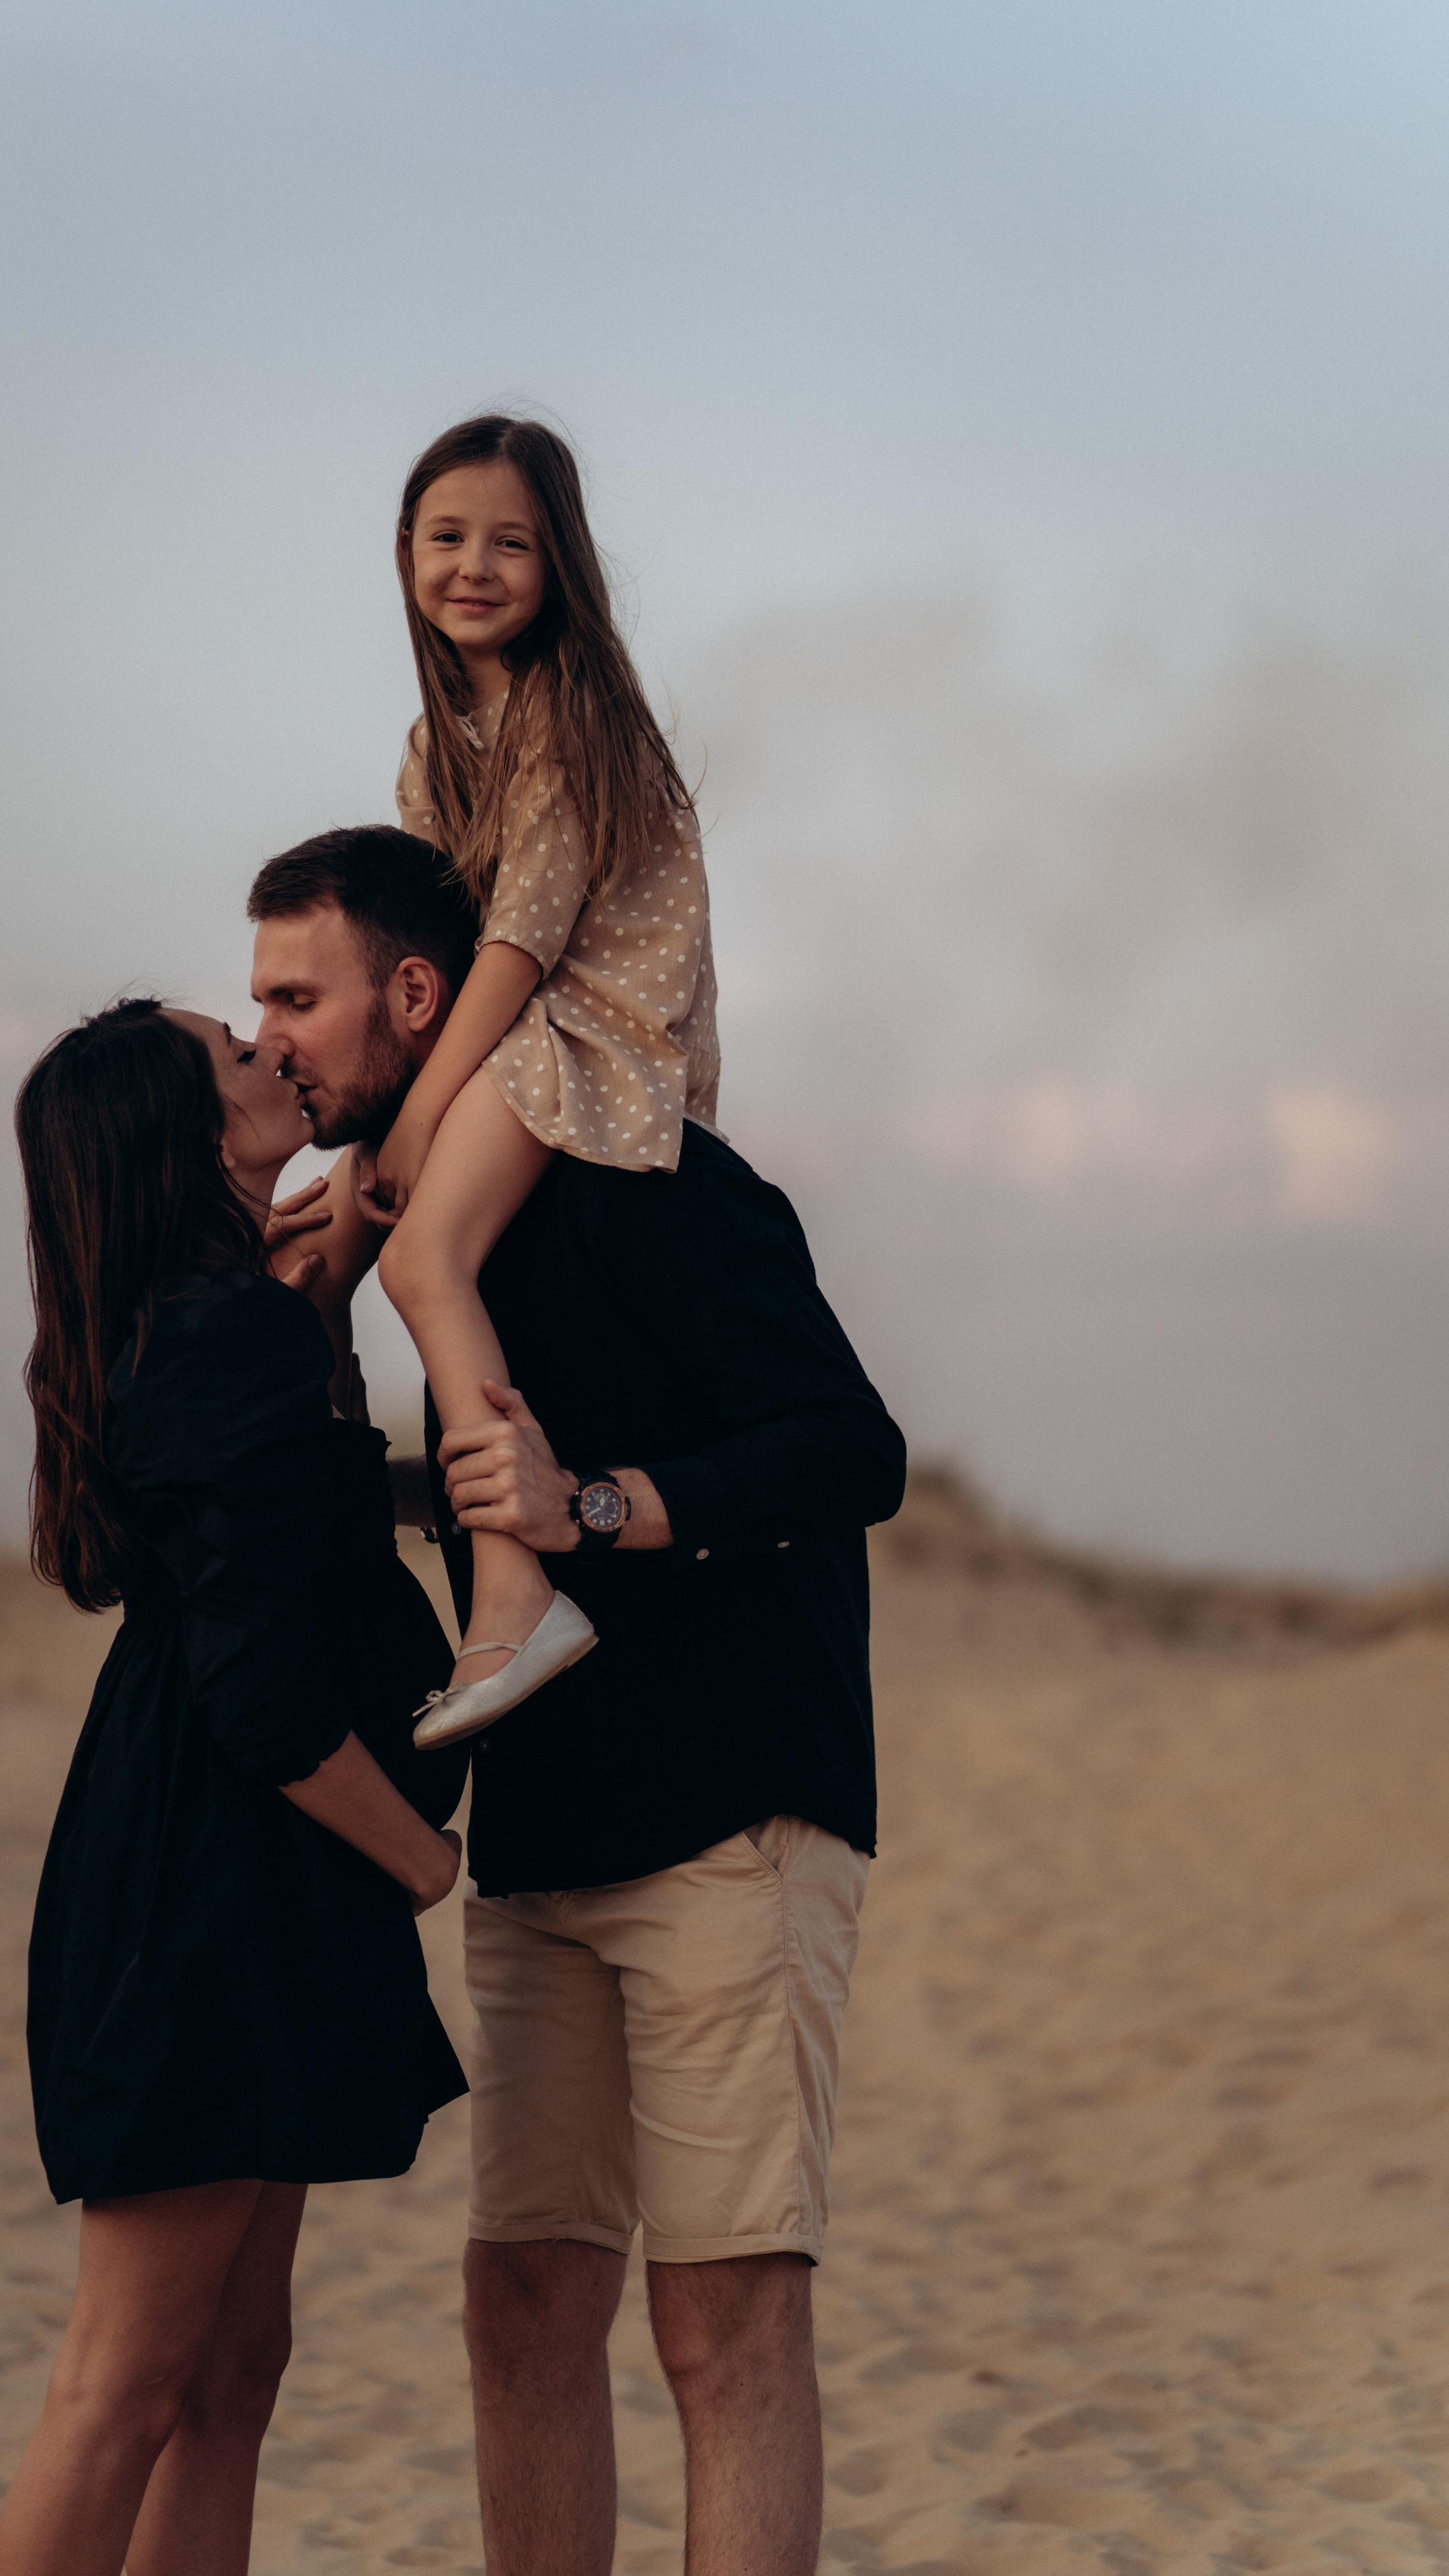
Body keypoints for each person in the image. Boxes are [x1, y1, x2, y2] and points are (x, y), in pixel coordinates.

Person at [248, 828, 906, 2576]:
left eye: (295, 997)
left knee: (722, 2325)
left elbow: (853, 1450)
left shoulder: (661, 1182)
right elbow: (454, 1487)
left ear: (413, 998)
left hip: (729, 1820)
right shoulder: (405, 1243)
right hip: (537, 1826)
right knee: (523, 2301)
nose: (274, 1036)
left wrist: (592, 1506)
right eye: (255, 1004)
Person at [0, 999, 468, 2576]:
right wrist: (419, 1861)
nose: (270, 1052)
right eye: (229, 1052)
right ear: (183, 1139)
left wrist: (322, 1270)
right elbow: (262, 1701)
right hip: (208, 1884)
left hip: (232, 1877)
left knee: (229, 2375)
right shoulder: (220, 1337)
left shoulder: (212, 1317)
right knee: (125, 2380)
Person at [345, 413, 723, 1746]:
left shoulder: (567, 715)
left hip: (587, 1027)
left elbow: (515, 948)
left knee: (419, 1261)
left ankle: (513, 1583)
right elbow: (428, 950)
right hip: (507, 1025)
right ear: (405, 555)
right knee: (361, 1212)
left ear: (559, 562)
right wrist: (378, 1124)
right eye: (446, 538)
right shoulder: (434, 743)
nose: (474, 566)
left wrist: (422, 1112)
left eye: (511, 541)